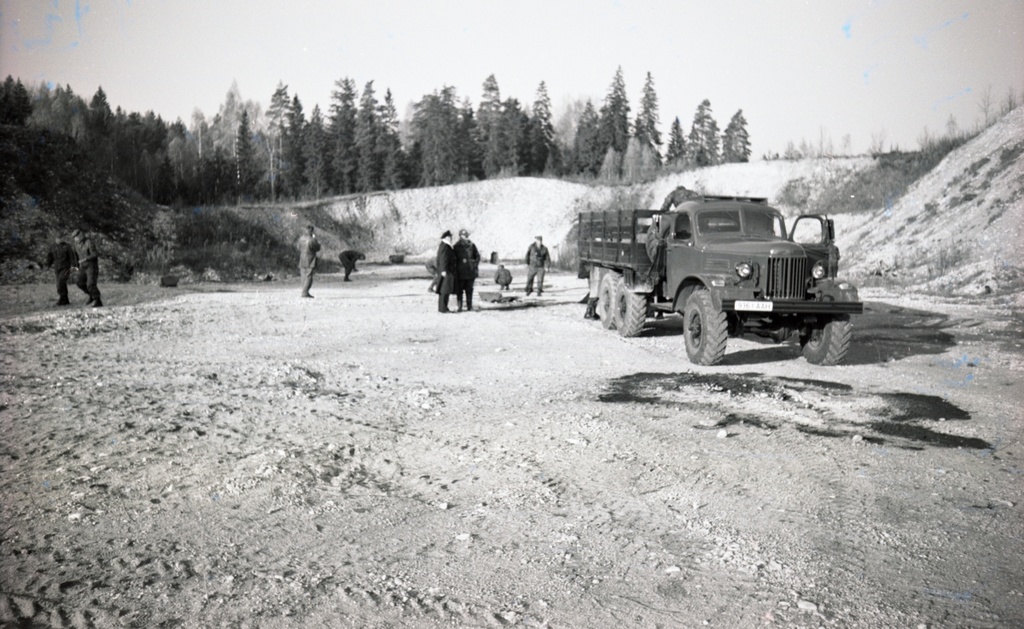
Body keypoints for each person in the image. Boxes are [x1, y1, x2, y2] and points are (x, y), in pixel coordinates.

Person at [71, 229, 102, 307]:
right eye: (75, 237)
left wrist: (86, 258)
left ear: (81, 235)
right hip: (82, 266)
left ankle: (97, 300)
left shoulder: (89, 242)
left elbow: (95, 254)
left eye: (77, 236)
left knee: (90, 284)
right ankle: (91, 295)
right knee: (79, 282)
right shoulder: (75, 245)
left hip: (91, 265)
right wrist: (75, 267)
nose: (76, 238)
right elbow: (75, 257)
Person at [45, 233, 78, 306]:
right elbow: (50, 257)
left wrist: (74, 266)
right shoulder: (53, 247)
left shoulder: (67, 246)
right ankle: (65, 299)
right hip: (57, 268)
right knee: (59, 284)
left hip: (65, 267)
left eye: (60, 238)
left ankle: (62, 298)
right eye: (58, 238)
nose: (59, 240)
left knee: (61, 281)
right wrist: (47, 265)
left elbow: (72, 257)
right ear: (55, 239)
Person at [453, 228, 480, 312]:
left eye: (466, 235)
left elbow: (477, 256)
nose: (465, 237)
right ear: (460, 236)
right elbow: (453, 259)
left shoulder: (472, 245)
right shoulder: (456, 246)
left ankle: (469, 306)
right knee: (459, 290)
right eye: (464, 235)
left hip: (470, 272)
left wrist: (474, 264)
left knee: (469, 290)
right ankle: (460, 306)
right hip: (460, 272)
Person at [435, 230, 457, 313]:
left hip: (446, 271)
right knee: (444, 290)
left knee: (445, 289)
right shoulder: (445, 246)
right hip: (446, 271)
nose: (451, 238)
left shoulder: (445, 245)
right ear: (446, 237)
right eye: (450, 237)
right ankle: (443, 308)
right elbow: (443, 259)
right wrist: (443, 270)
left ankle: (444, 307)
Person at [297, 224, 320, 298]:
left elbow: (298, 247)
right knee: (309, 276)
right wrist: (315, 239)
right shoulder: (312, 239)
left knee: (303, 276)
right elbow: (318, 248)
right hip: (310, 259)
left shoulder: (301, 239)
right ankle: (305, 292)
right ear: (311, 231)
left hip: (302, 258)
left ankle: (304, 291)